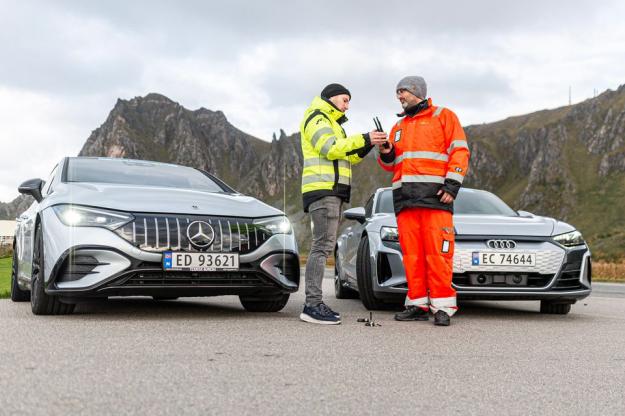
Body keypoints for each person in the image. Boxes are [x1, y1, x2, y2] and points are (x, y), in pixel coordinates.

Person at [377, 76, 470, 326]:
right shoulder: (398, 127)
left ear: (416, 91)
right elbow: (391, 165)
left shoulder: (444, 116)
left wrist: (452, 185)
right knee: (412, 256)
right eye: (397, 92)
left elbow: (459, 151)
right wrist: (386, 151)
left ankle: (443, 307)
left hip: (435, 199)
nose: (399, 96)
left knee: (438, 255)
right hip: (406, 201)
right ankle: (417, 303)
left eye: (402, 91)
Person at [300, 83, 388, 325]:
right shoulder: (317, 118)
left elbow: (347, 156)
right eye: (344, 100)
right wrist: (364, 137)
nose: (347, 105)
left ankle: (314, 302)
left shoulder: (334, 124)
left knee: (323, 246)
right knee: (321, 247)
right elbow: (329, 149)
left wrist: (368, 144)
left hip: (332, 192)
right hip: (322, 190)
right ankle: (312, 305)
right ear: (330, 98)